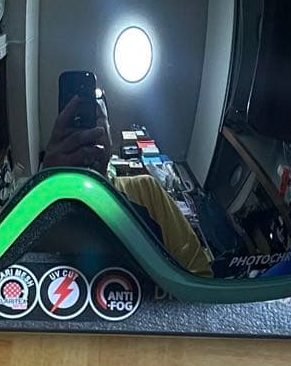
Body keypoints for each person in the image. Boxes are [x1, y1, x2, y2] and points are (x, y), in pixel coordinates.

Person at [41, 93, 211, 276]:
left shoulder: (146, 191)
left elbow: (200, 275)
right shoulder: (41, 200)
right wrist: (46, 184)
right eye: (75, 125)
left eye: (93, 120)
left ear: (110, 134)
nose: (85, 136)